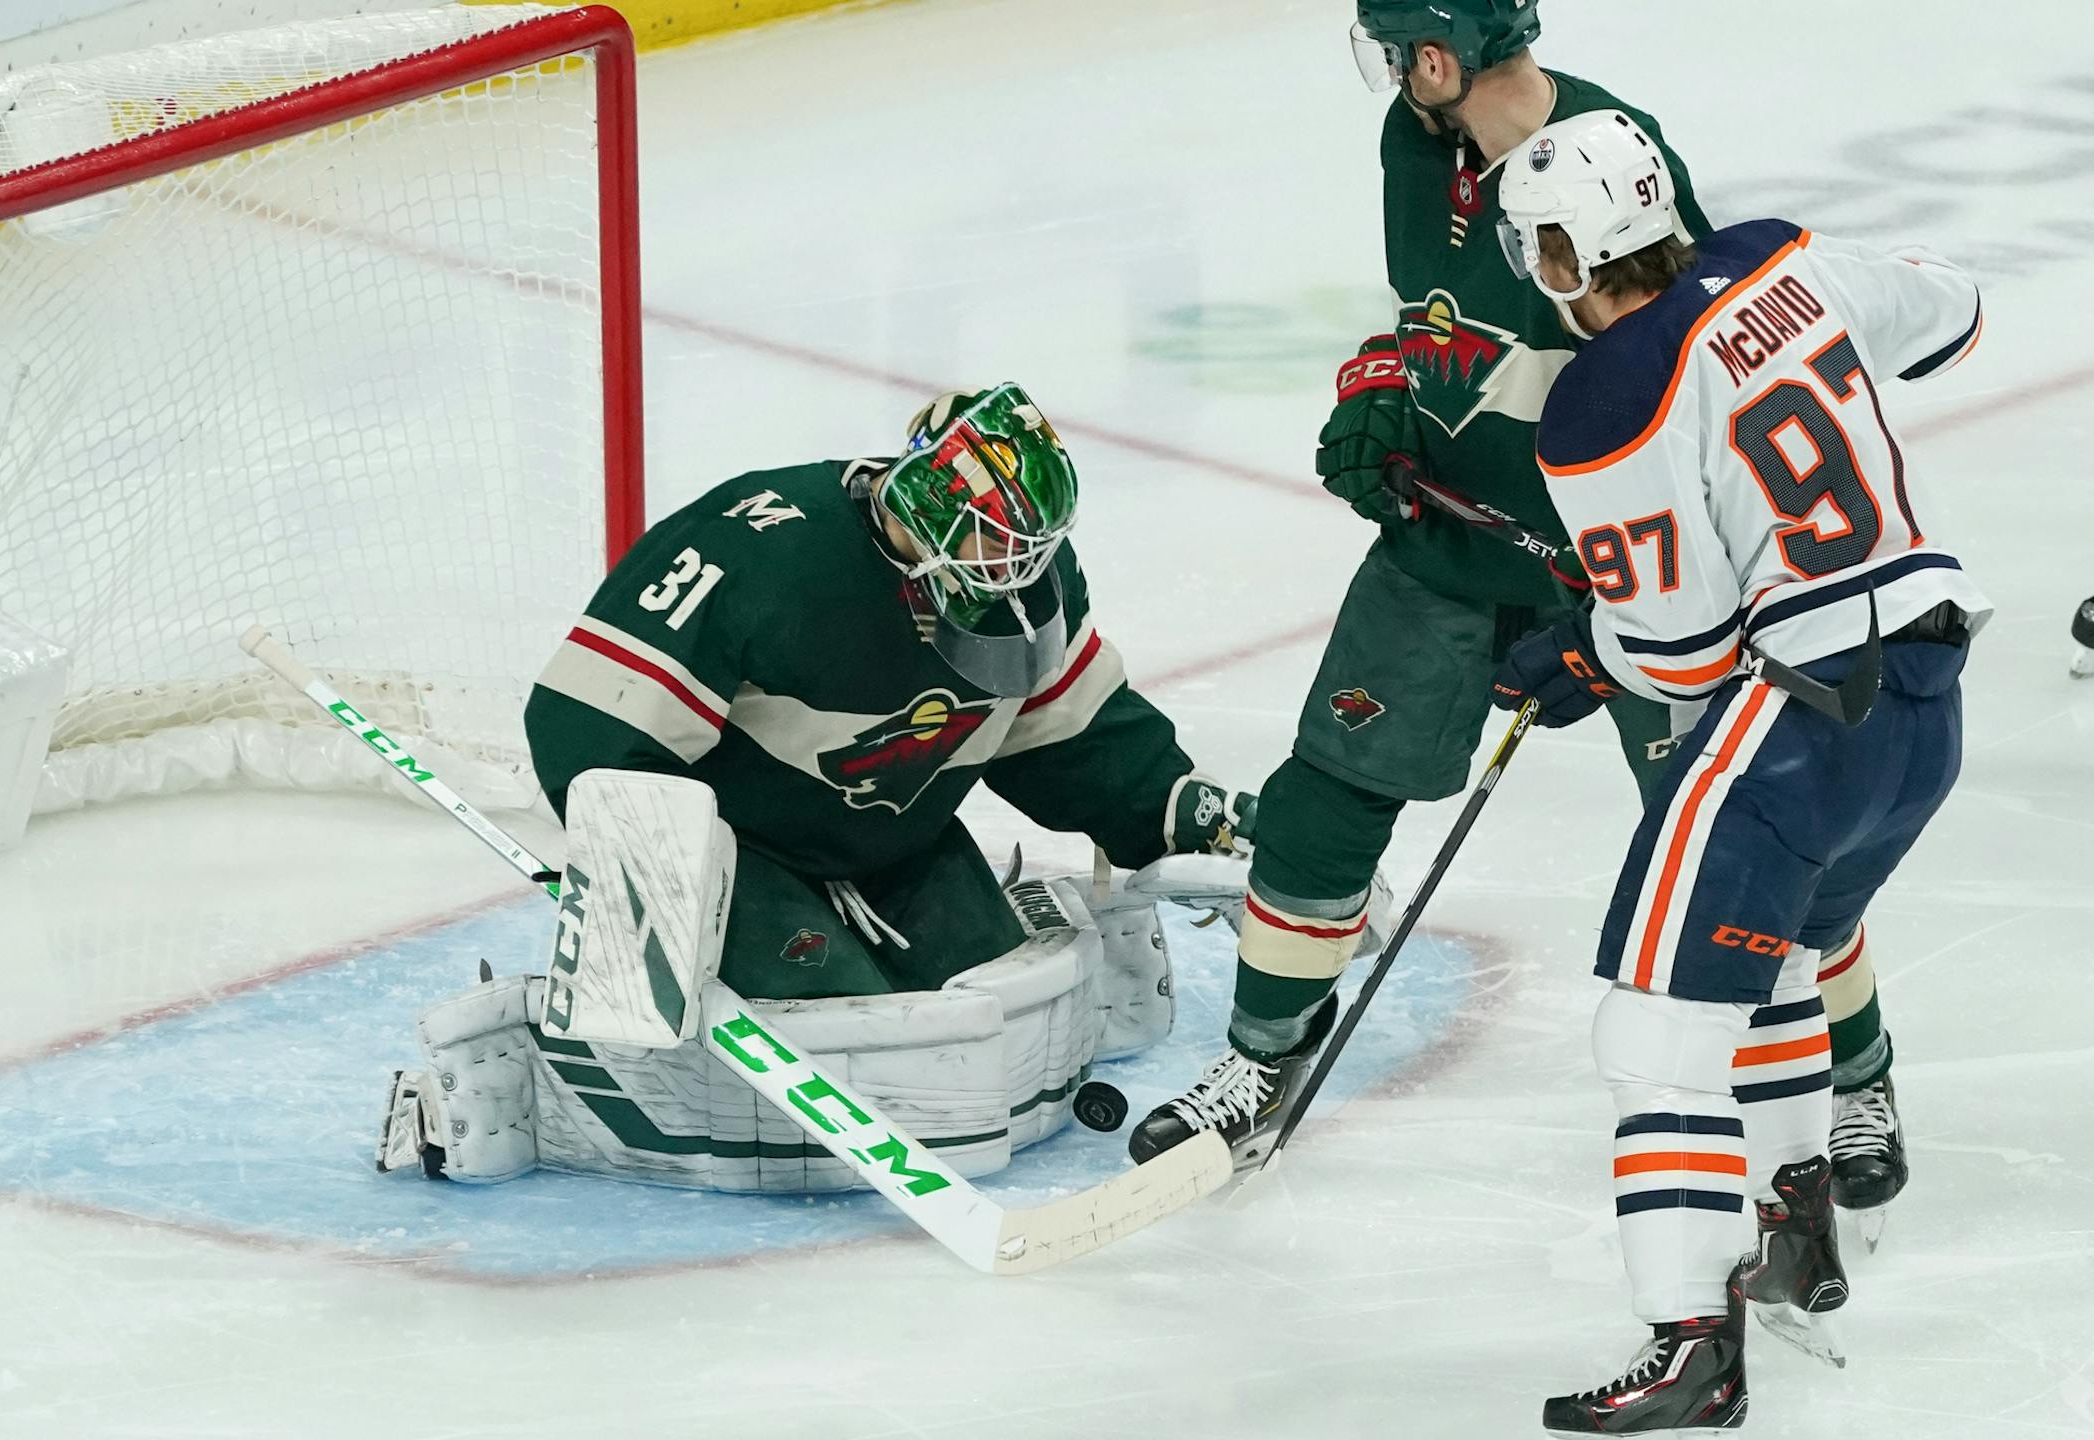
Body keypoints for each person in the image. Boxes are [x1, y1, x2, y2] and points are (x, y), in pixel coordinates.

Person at [375, 386, 1260, 1194]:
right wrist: (646, 897)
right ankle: (520, 1082)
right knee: (851, 1051)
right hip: (740, 862)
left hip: (897, 846)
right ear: (931, 505)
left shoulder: (1024, 586)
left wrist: (1192, 819)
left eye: (1031, 545)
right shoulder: (761, 548)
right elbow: (588, 726)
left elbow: (1068, 736)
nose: (1014, 566)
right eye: (995, 538)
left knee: (990, 1020)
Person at [1131, 0, 1710, 1167]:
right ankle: (1267, 1051)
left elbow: (1689, 369)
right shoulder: (1417, 141)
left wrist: (1623, 604)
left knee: (1733, 829)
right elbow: (1427, 323)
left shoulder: (1611, 160)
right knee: (1322, 804)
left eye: (1399, 51)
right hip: (1446, 539)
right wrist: (1375, 392)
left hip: (1620, 557)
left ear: (1439, 55)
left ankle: (1840, 1082)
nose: (1392, 72)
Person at [1490, 110, 1987, 1433]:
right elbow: (1956, 312)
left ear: (1560, 251)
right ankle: (1795, 1224)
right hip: (1928, 703)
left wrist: (1585, 653)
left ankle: (1689, 1345)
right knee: (1762, 958)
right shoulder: (1778, 259)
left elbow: (1686, 647)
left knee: (1657, 1024)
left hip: (1807, 717)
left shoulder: (1601, 394)